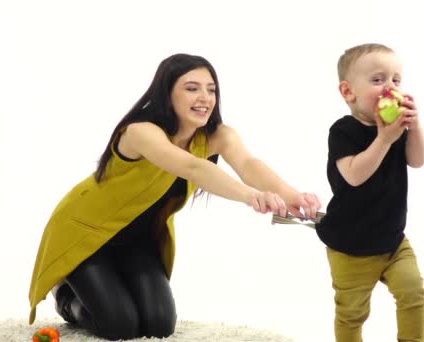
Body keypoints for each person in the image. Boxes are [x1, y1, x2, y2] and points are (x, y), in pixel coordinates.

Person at [27, 53, 321, 341]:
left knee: (158, 326)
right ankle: (66, 296)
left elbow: (248, 164)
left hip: (138, 240)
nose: (204, 98)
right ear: (166, 94)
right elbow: (191, 166)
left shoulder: (219, 135)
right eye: (192, 88)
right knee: (120, 326)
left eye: (211, 90)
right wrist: (251, 196)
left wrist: (292, 196)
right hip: (87, 235)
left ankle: (108, 288)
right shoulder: (140, 132)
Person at [314, 43, 424, 342]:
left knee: (413, 290)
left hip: (392, 240)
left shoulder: (395, 128)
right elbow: (354, 176)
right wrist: (384, 139)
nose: (391, 87)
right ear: (348, 92)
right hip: (349, 246)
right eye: (378, 80)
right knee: (352, 312)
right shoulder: (343, 131)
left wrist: (413, 128)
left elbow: (417, 160)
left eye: (396, 80)